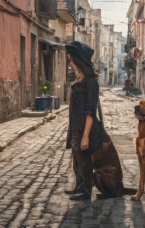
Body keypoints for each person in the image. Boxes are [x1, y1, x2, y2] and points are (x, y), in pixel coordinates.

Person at [65, 41, 102, 201]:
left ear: (79, 61)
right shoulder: (80, 80)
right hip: (74, 127)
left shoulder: (91, 82)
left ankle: (86, 191)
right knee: (76, 159)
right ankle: (78, 186)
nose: (71, 63)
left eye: (72, 60)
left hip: (83, 128)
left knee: (84, 161)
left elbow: (91, 110)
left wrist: (86, 135)